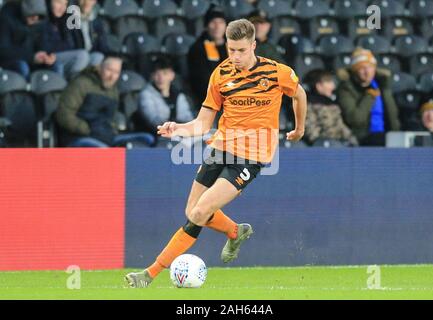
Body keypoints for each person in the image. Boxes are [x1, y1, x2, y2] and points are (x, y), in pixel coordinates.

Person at [125, 19, 307, 288]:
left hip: (252, 155)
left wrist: (299, 128)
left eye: (241, 51)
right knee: (192, 211)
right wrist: (178, 128)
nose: (234, 56)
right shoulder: (221, 75)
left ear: (253, 46)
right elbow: (202, 124)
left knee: (199, 213)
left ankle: (149, 274)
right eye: (230, 49)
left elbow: (299, 93)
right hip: (220, 147)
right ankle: (236, 232)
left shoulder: (276, 72)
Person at [55, 55, 155, 147]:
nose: (112, 76)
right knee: (106, 152)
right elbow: (63, 114)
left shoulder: (114, 90)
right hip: (80, 137)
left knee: (146, 139)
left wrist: (110, 130)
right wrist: (87, 130)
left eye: (116, 72)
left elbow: (111, 118)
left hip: (106, 137)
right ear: (99, 68)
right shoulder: (81, 83)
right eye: (109, 70)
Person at [337, 48, 400, 146]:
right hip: (363, 138)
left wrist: (396, 134)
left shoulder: (382, 85)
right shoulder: (347, 88)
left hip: (388, 135)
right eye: (362, 68)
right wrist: (369, 97)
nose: (367, 72)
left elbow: (393, 115)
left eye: (370, 67)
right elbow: (355, 119)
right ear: (355, 70)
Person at [0, 0, 55, 80]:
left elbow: (44, 42)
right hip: (13, 61)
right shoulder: (7, 16)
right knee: (22, 66)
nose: (35, 18)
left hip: (34, 60)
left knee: (55, 65)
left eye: (38, 15)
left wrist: (47, 55)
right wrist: (31, 57)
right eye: (32, 14)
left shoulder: (41, 19)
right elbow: (3, 50)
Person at [137, 56, 194, 134]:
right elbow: (155, 123)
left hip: (178, 136)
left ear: (172, 75)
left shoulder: (179, 96)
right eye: (157, 74)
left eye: (165, 73)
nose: (161, 78)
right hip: (155, 139)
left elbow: (188, 119)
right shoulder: (146, 95)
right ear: (152, 76)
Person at [304, 69, 358, 146]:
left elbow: (341, 127)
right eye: (329, 82)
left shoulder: (333, 105)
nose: (333, 86)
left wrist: (352, 140)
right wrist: (328, 142)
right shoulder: (307, 106)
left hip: (338, 146)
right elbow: (311, 132)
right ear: (318, 86)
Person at [187, 5, 228, 106]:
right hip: (210, 101)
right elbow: (201, 81)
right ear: (206, 26)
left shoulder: (233, 45)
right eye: (213, 22)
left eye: (221, 22)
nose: (217, 26)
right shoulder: (197, 49)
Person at [40, 0, 90, 79]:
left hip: (68, 56)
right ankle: (73, 82)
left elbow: (80, 42)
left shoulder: (70, 18)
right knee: (82, 56)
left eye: (65, 4)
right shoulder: (41, 19)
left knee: (96, 57)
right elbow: (42, 45)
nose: (62, 8)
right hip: (50, 56)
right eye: (58, 2)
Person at [73, 0, 109, 66]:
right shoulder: (70, 20)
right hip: (76, 57)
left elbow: (103, 47)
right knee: (83, 56)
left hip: (91, 57)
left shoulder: (98, 22)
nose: (87, 2)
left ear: (95, 1)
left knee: (99, 57)